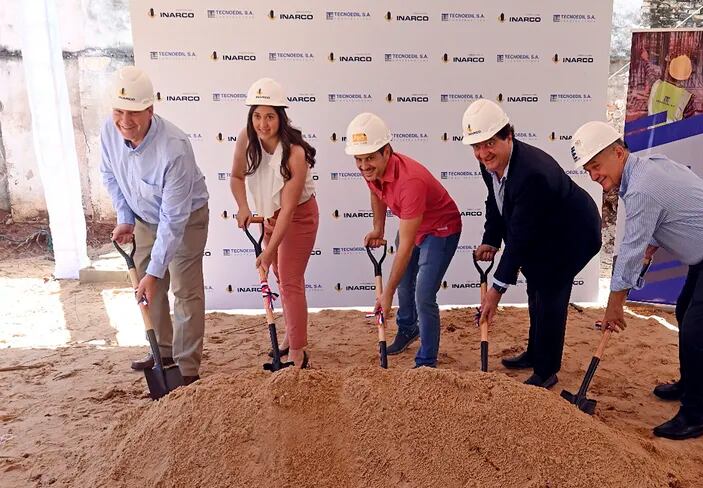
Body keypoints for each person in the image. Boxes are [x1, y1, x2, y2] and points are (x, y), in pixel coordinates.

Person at [571, 120, 703, 440]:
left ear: (618, 153)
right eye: (588, 170)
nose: (593, 176)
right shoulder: (649, 166)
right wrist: (653, 239)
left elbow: (630, 254)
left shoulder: (642, 188)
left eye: (596, 166)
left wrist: (614, 307)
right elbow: (676, 206)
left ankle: (693, 417)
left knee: (699, 332)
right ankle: (690, 383)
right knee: (684, 311)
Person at [464, 99, 601, 388]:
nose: (482, 152)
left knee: (550, 292)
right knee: (535, 287)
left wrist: (496, 290)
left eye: (489, 143)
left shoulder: (532, 173)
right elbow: (497, 202)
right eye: (476, 146)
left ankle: (546, 370)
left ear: (508, 136)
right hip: (545, 230)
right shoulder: (490, 164)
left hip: (573, 234)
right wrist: (491, 239)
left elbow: (521, 236)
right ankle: (535, 352)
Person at [100, 66, 209, 385]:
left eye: (133, 112)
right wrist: (125, 217)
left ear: (150, 109)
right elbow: (109, 175)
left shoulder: (174, 147)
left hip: (186, 219)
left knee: (184, 290)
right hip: (143, 217)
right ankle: (163, 353)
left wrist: (155, 269)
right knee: (151, 288)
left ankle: (187, 369)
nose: (124, 121)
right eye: (118, 111)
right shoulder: (109, 130)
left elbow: (174, 219)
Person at [345, 112, 461, 368]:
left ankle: (426, 362)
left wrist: (385, 297)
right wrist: (378, 228)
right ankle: (408, 328)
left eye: (370, 158)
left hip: (441, 229)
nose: (364, 166)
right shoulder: (372, 170)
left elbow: (405, 248)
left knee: (423, 294)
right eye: (359, 159)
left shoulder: (410, 182)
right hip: (414, 224)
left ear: (387, 152)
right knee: (404, 284)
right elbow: (376, 191)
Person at [230, 78, 318, 368]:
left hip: (298, 217)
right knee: (282, 277)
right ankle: (292, 336)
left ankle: (298, 352)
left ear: (281, 117)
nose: (262, 124)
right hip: (270, 216)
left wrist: (267, 253)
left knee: (290, 280)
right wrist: (243, 206)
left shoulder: (295, 153)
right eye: (257, 116)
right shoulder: (246, 137)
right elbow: (236, 177)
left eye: (269, 116)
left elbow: (290, 210)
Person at [648, 54, 696, 123]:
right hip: (672, 133)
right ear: (687, 76)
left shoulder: (656, 85)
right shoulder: (687, 98)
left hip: (651, 132)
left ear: (669, 70)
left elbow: (650, 74)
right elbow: (689, 125)